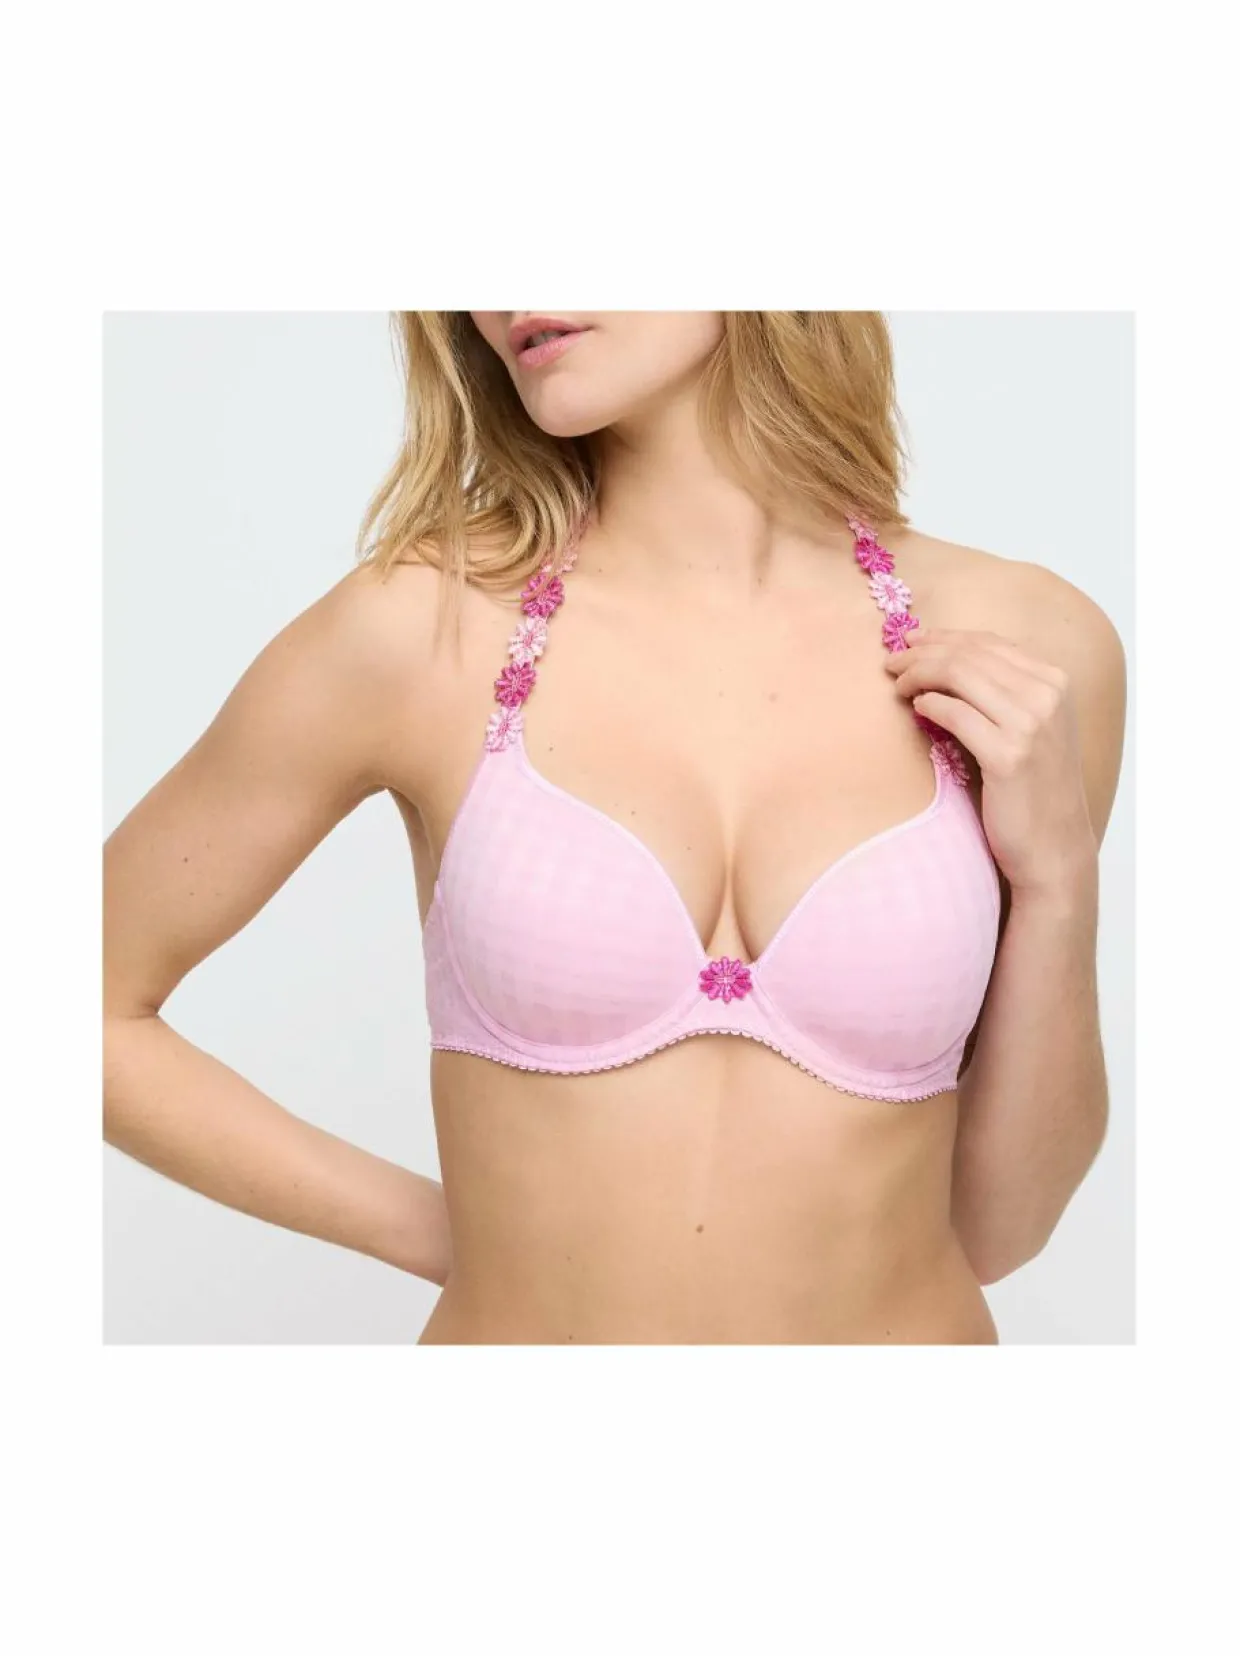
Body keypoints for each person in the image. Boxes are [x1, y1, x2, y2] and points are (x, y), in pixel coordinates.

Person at [103, 311, 1127, 1344]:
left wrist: (1058, 882)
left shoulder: (1031, 642)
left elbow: (1000, 1225)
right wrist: (442, 1232)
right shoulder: (424, 629)